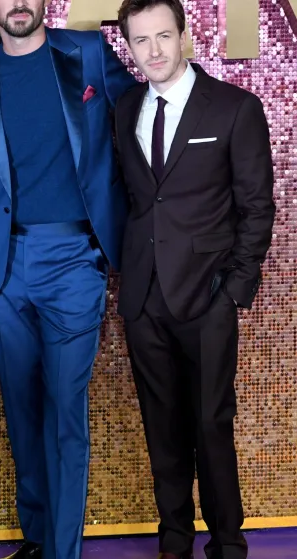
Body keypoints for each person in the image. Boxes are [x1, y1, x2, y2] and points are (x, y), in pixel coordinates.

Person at [0, 1, 139, 557]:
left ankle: (64, 551)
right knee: (23, 412)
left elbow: (140, 114)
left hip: (75, 259)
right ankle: (35, 540)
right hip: (5, 267)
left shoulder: (85, 53)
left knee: (65, 410)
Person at [114, 1, 275, 558]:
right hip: (143, 295)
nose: (154, 50)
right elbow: (137, 200)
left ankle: (228, 545)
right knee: (162, 427)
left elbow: (258, 207)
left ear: (185, 35)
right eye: (141, 40)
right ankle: (174, 541)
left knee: (210, 424)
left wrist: (234, 290)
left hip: (207, 296)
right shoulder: (125, 107)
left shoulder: (234, 108)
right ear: (128, 46)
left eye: (163, 36)